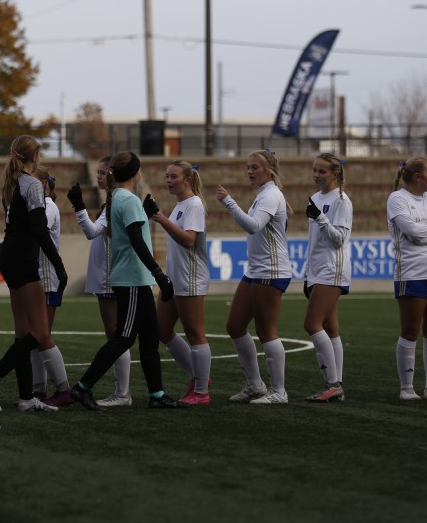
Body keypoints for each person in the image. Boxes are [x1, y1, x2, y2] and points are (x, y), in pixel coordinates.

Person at [69, 151, 185, 411]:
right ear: (135, 173)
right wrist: (159, 273)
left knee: (149, 339)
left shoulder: (117, 199)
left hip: (134, 278)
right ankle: (82, 387)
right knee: (123, 337)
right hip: (132, 278)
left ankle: (157, 395)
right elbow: (137, 241)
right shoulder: (128, 200)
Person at [0, 136, 67, 413]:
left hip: (11, 257)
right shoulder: (33, 185)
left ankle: (27, 397)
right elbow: (39, 229)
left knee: (23, 332)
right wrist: (58, 265)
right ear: (34, 156)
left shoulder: (15, 183)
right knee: (39, 332)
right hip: (23, 260)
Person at [216, 149, 293, 404]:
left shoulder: (271, 195)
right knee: (235, 326)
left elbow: (253, 225)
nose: (250, 172)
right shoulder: (264, 195)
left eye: (255, 167)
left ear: (268, 170)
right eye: (248, 167)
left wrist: (229, 202)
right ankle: (255, 385)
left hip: (271, 271)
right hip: (256, 270)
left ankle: (279, 392)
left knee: (266, 330)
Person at [66, 155, 132, 407]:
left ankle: (123, 393)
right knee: (117, 335)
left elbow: (93, 232)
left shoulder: (115, 201)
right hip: (108, 275)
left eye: (103, 173)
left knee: (116, 336)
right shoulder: (111, 201)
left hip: (110, 277)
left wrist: (79, 207)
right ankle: (122, 391)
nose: (98, 176)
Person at [388, 157, 427, 401]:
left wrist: (425, 235)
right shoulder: (397, 199)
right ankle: (407, 388)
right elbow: (411, 232)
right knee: (410, 331)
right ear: (418, 177)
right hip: (411, 274)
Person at [146, 160, 211, 405]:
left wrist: (162, 220)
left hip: (190, 278)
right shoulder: (180, 205)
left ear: (187, 179)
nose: (169, 181)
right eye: (167, 176)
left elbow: (189, 240)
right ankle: (199, 377)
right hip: (174, 278)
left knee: (195, 333)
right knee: (162, 330)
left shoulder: (193, 204)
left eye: (174, 176)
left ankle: (202, 391)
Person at [302, 154, 352, 403]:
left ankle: (333, 385)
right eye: (314, 170)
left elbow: (339, 239)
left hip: (332, 269)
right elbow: (315, 241)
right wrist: (307, 271)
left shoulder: (341, 200)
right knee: (331, 328)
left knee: (312, 324)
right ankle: (336, 385)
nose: (316, 175)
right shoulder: (315, 198)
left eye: (322, 171)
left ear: (335, 174)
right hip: (317, 270)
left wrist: (320, 217)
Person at [32, 166, 73, 406]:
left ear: (44, 184)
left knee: (42, 335)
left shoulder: (47, 207)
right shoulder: (40, 205)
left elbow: (37, 234)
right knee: (35, 337)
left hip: (47, 277)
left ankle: (63, 389)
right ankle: (39, 391)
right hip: (37, 277)